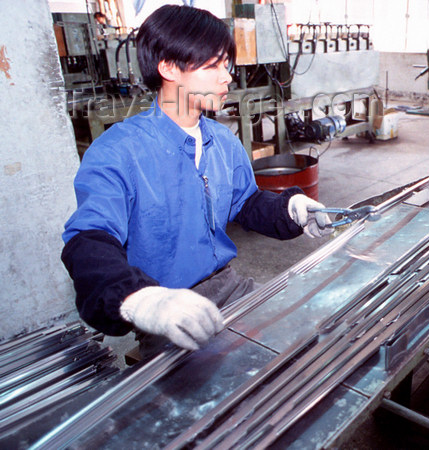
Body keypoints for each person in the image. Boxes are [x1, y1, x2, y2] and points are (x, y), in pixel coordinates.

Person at [62, 5, 332, 359]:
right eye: (214, 65)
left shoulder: (223, 141)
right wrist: (141, 300)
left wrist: (290, 209)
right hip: (173, 307)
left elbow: (245, 203)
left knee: (313, 343)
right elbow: (88, 240)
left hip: (233, 287)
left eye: (227, 66)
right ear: (169, 67)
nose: (228, 78)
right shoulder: (118, 152)